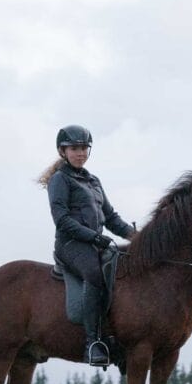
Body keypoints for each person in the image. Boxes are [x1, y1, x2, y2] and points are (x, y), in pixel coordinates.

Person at [39, 125, 135, 366]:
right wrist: (93, 237)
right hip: (71, 244)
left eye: (83, 148)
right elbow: (62, 220)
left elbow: (110, 218)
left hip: (95, 244)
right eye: (74, 149)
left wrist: (137, 236)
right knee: (94, 273)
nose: (80, 153)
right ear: (63, 151)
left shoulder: (93, 181)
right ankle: (93, 343)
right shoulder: (59, 180)